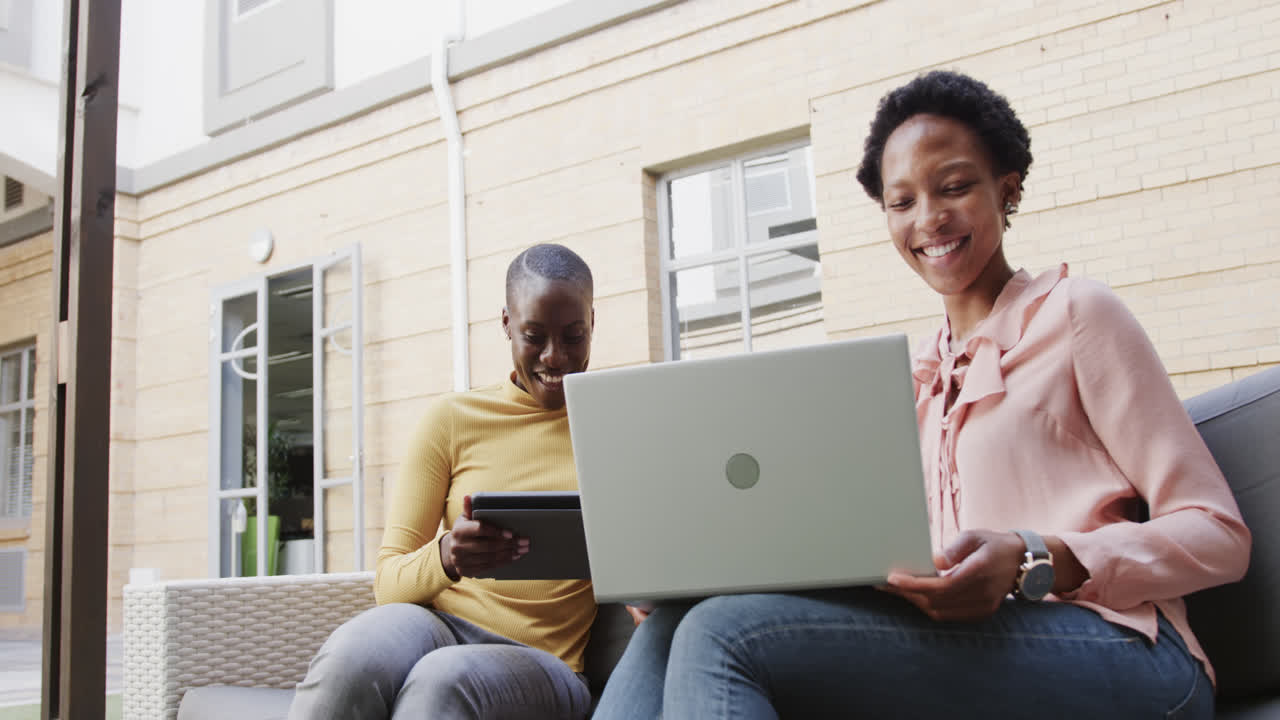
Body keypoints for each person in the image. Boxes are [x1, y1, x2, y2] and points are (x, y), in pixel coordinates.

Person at [593, 71, 1251, 719]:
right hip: (972, 650)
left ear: (1007, 190)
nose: (929, 219)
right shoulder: (910, 380)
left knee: (722, 635)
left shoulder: (1077, 314)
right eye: (901, 202)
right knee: (675, 623)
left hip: (1129, 654)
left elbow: (1219, 534)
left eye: (955, 187)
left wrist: (1034, 558)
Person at [288, 243, 597, 720]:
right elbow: (388, 584)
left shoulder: (611, 423)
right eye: (534, 336)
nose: (554, 358)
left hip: (546, 663)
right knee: (351, 658)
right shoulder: (451, 419)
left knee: (442, 680)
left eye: (573, 336)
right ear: (506, 324)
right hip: (439, 626)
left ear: (592, 323)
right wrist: (447, 555)